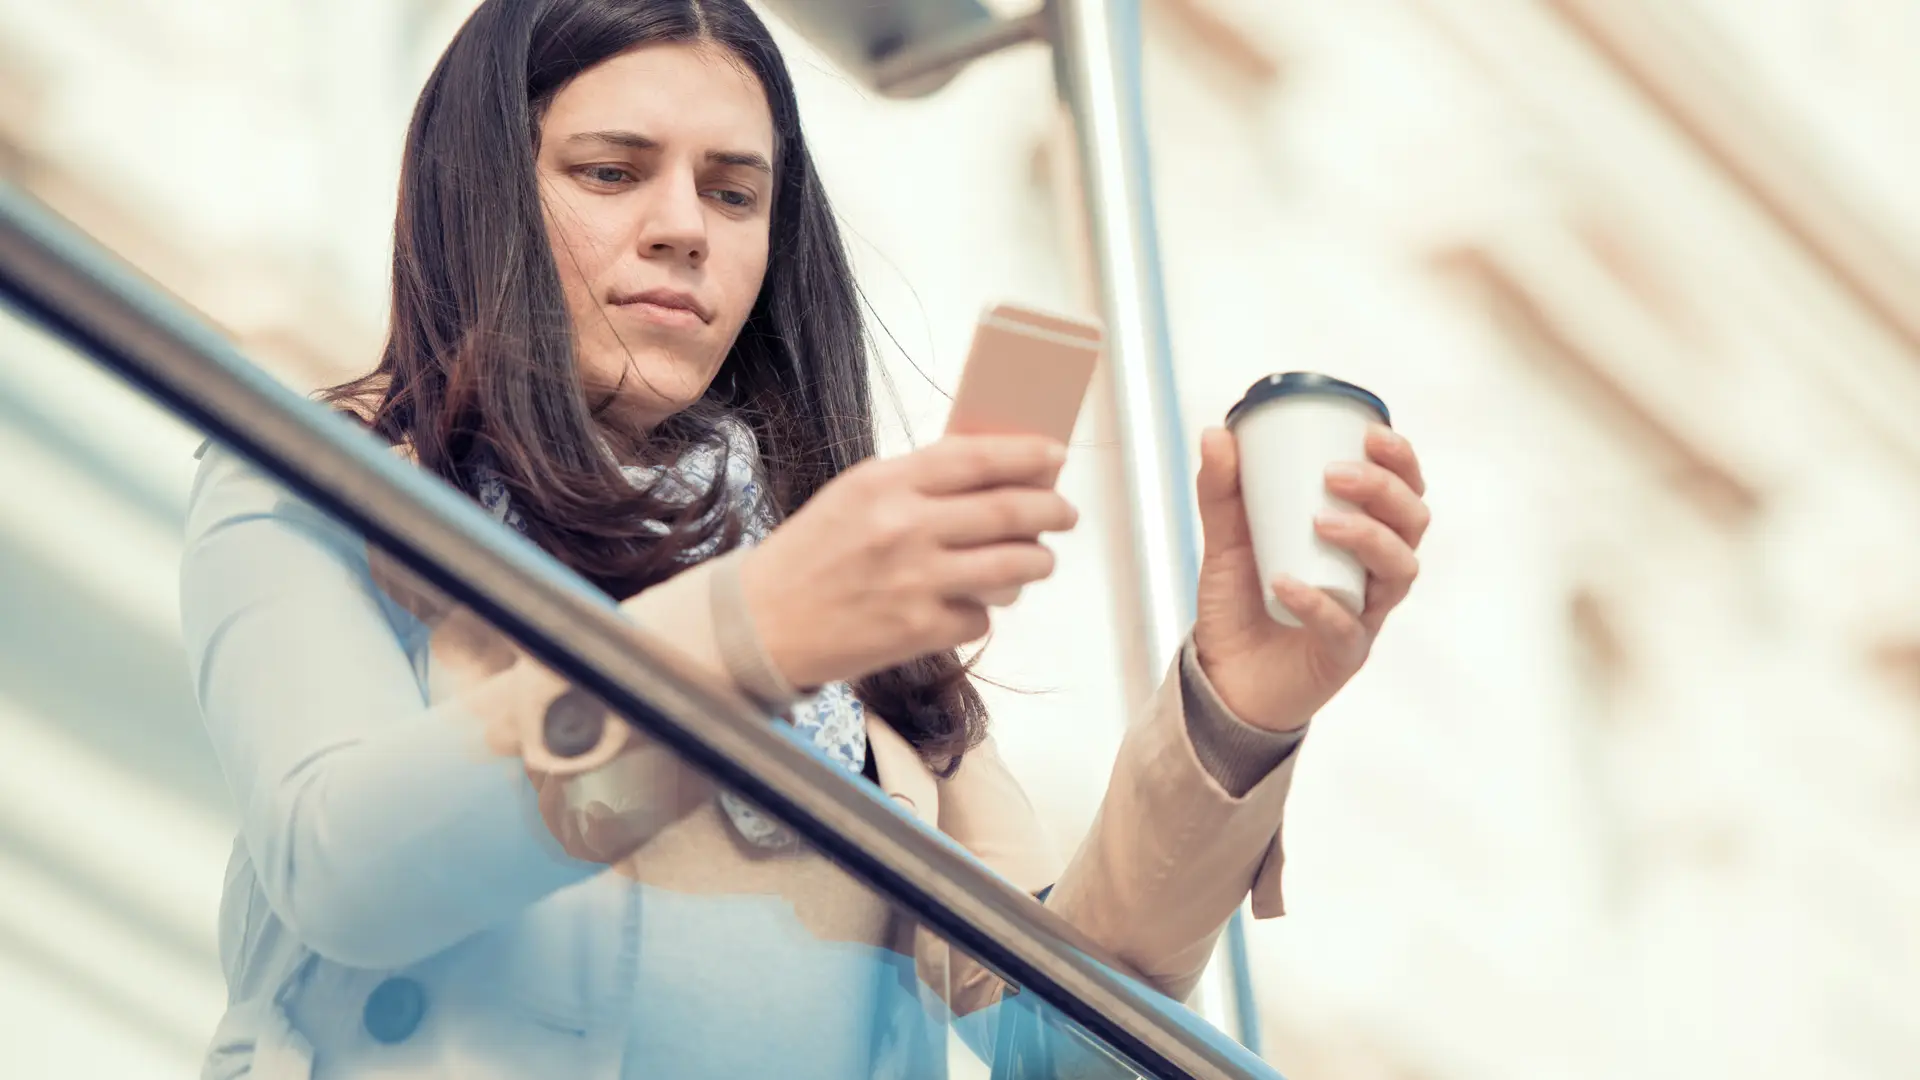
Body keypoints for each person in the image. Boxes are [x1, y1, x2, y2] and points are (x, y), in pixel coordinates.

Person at [178, 0, 1430, 1076]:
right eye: (612, 172)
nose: (686, 228)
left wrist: (1233, 717)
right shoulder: (319, 486)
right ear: (485, 195)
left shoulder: (869, 652)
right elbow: (339, 863)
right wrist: (752, 629)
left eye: (735, 192)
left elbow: (1059, 1049)